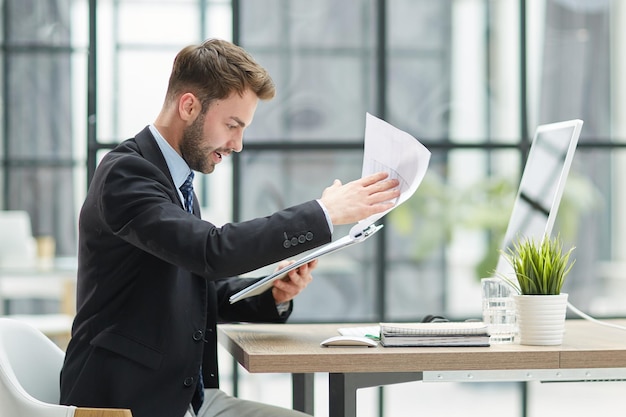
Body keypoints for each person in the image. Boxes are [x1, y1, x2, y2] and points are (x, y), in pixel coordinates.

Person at [59, 38, 399, 417]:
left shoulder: (174, 180)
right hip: (131, 402)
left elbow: (200, 291)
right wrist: (324, 213)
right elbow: (211, 253)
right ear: (189, 106)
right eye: (232, 125)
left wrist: (273, 293)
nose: (237, 144)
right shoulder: (126, 174)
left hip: (187, 398)